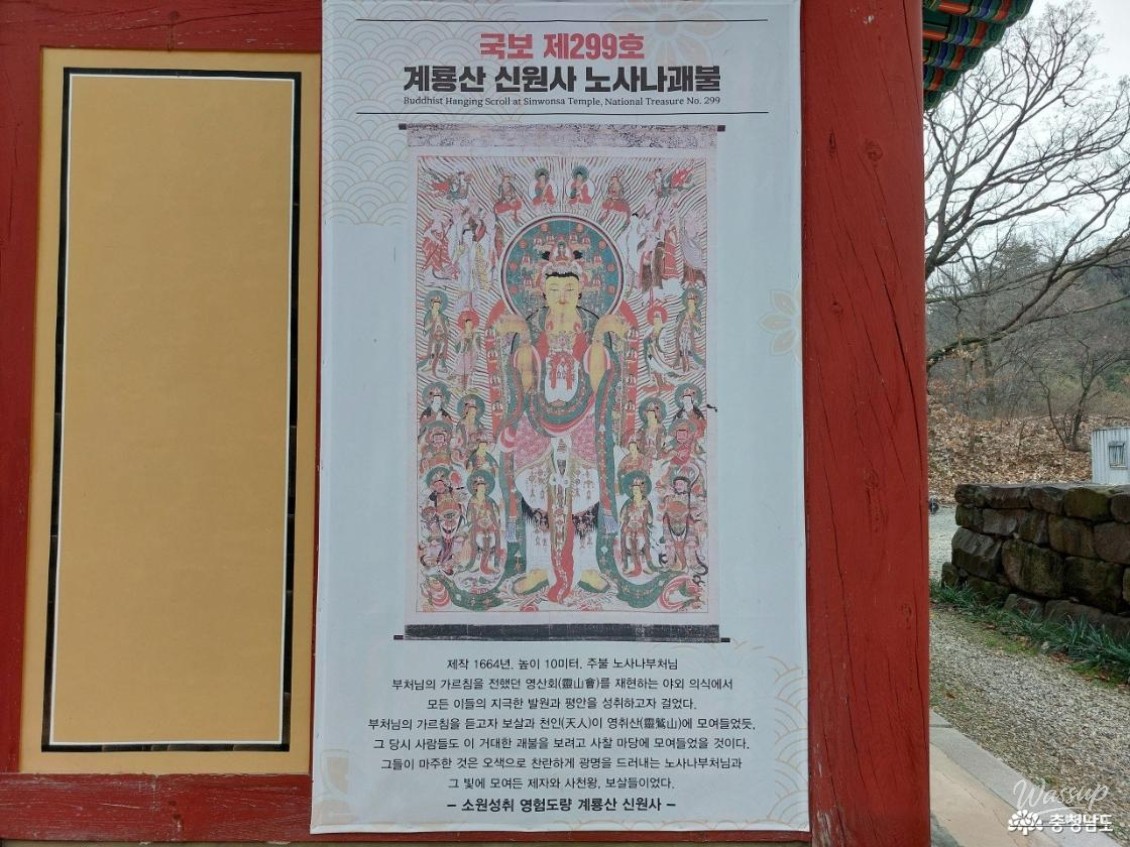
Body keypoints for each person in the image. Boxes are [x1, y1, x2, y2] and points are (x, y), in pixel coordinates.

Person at [490, 251, 628, 603]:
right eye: (554, 288)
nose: (562, 295)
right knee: (535, 493)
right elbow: (525, 377)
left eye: (569, 287)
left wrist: (598, 338)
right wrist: (522, 340)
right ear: (544, 292)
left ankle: (587, 566)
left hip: (582, 421)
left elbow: (599, 382)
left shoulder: (589, 333)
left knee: (586, 491)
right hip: (538, 420)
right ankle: (536, 566)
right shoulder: (535, 331)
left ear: (581, 290)